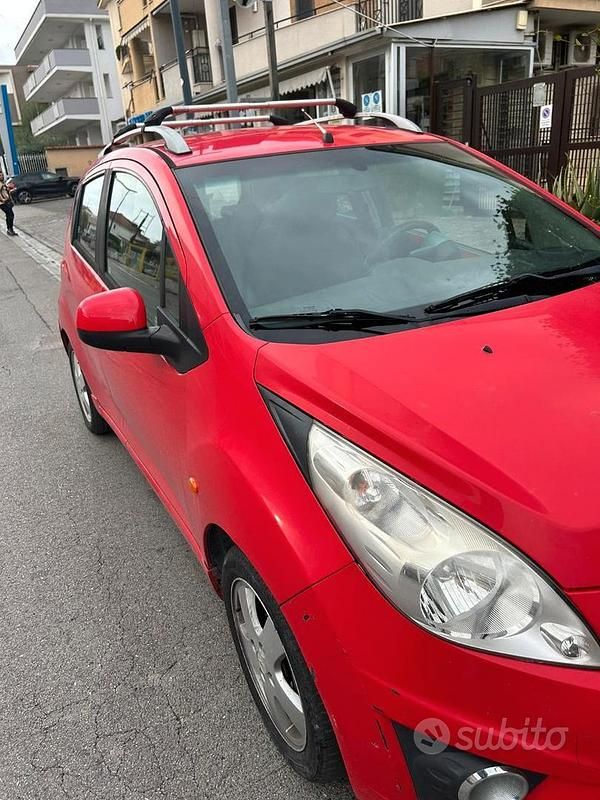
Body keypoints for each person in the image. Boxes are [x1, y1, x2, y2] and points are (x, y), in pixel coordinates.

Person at [0, 170, 17, 236]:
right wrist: (3, 199)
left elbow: (5, 191)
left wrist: (10, 190)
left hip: (5, 201)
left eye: (2, 175)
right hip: (3, 203)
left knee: (9, 215)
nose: (2, 176)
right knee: (10, 215)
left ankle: (10, 229)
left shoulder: (2, 183)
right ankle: (10, 229)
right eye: (0, 175)